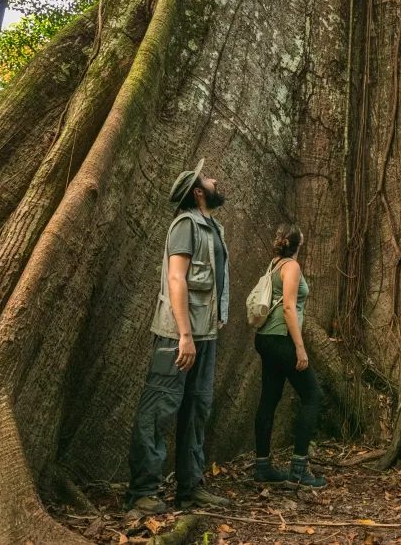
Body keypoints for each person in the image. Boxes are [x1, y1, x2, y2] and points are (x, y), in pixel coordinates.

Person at [124, 160, 232, 514]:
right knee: (159, 410)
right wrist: (184, 334)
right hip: (178, 334)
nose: (215, 179)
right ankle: (143, 491)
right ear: (199, 192)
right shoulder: (186, 224)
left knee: (196, 410)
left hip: (204, 335)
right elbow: (176, 279)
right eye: (208, 178)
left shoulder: (212, 226)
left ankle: (190, 487)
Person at [252, 224, 326, 487]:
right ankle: (298, 470)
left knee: (269, 399)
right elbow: (288, 307)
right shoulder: (291, 267)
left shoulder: (274, 263)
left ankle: (262, 467)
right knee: (313, 395)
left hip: (266, 339)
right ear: (298, 243)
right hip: (281, 339)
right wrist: (300, 347)